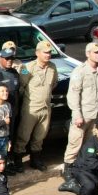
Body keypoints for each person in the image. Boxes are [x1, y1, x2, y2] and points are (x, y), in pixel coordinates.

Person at [63, 41, 98, 177]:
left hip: (96, 114)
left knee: (91, 143)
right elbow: (73, 94)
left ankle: (87, 168)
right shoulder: (79, 71)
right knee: (75, 143)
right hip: (83, 115)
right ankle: (68, 170)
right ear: (88, 54)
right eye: (96, 52)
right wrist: (77, 114)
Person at [14, 40, 59, 172]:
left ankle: (36, 160)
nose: (48, 55)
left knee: (40, 136)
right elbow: (21, 87)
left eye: (50, 52)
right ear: (37, 53)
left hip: (46, 108)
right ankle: (18, 161)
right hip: (31, 108)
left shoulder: (52, 67)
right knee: (23, 135)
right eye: (45, 52)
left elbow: (54, 84)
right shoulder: (27, 68)